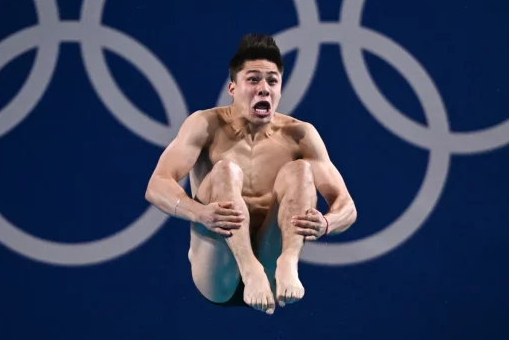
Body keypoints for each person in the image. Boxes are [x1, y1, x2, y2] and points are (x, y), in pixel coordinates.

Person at [144, 34, 357, 314]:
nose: (264, 89)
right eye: (253, 79)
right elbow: (157, 186)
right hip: (217, 270)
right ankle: (248, 267)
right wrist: (198, 212)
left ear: (280, 89)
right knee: (225, 172)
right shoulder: (205, 125)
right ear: (232, 87)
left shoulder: (299, 135)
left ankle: (288, 262)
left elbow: (347, 206)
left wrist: (326, 223)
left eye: (272, 81)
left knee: (300, 171)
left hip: (270, 268)